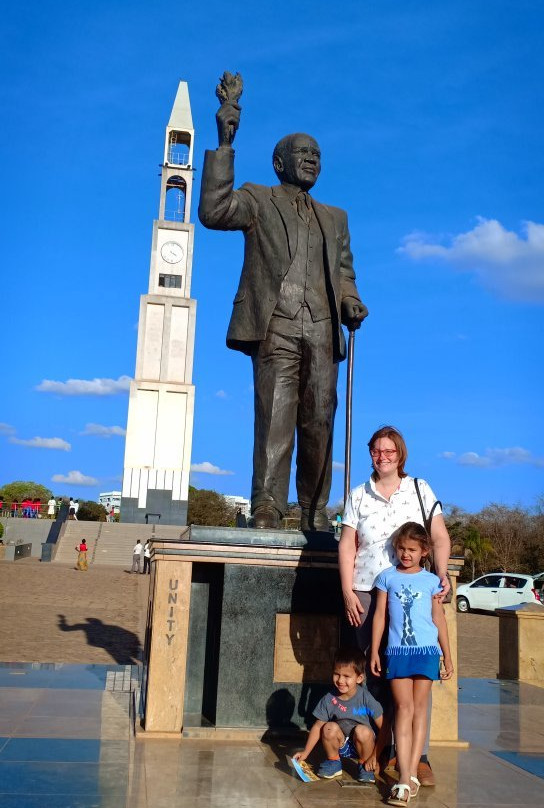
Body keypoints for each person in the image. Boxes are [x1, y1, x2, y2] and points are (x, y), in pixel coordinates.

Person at [199, 88, 368, 531]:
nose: (312, 159)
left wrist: (349, 299)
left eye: (317, 153)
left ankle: (314, 509)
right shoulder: (258, 198)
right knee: (275, 418)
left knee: (318, 422)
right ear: (279, 163)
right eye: (302, 152)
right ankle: (267, 507)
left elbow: (344, 272)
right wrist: (225, 144)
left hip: (322, 328)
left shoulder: (336, 217)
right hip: (275, 323)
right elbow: (214, 211)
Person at [339, 425, 451, 786]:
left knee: (417, 676)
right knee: (374, 674)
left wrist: (443, 574)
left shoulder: (419, 489)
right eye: (376, 450)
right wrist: (347, 590)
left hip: (414, 596)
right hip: (369, 592)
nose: (382, 456)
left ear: (400, 455)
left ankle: (418, 758)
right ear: (370, 453)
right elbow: (347, 545)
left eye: (389, 451)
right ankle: (376, 750)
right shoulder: (358, 495)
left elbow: (439, 537)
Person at [370, 522, 453, 805]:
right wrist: (374, 652)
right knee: (403, 709)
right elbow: (379, 616)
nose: (406, 554)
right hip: (397, 652)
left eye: (412, 549)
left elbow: (438, 619)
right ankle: (404, 777)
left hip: (427, 652)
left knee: (420, 711)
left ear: (424, 551)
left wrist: (447, 656)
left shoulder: (432, 581)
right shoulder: (386, 578)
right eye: (402, 548)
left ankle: (412, 774)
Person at [294, 647, 384, 782]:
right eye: (337, 674)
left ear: (359, 678)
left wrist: (375, 756)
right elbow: (318, 727)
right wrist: (305, 753)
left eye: (347, 676)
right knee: (328, 727)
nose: (340, 680)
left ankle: (364, 765)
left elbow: (384, 728)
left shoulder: (366, 698)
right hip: (342, 744)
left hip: (364, 745)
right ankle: (333, 762)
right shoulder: (329, 698)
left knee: (363, 731)